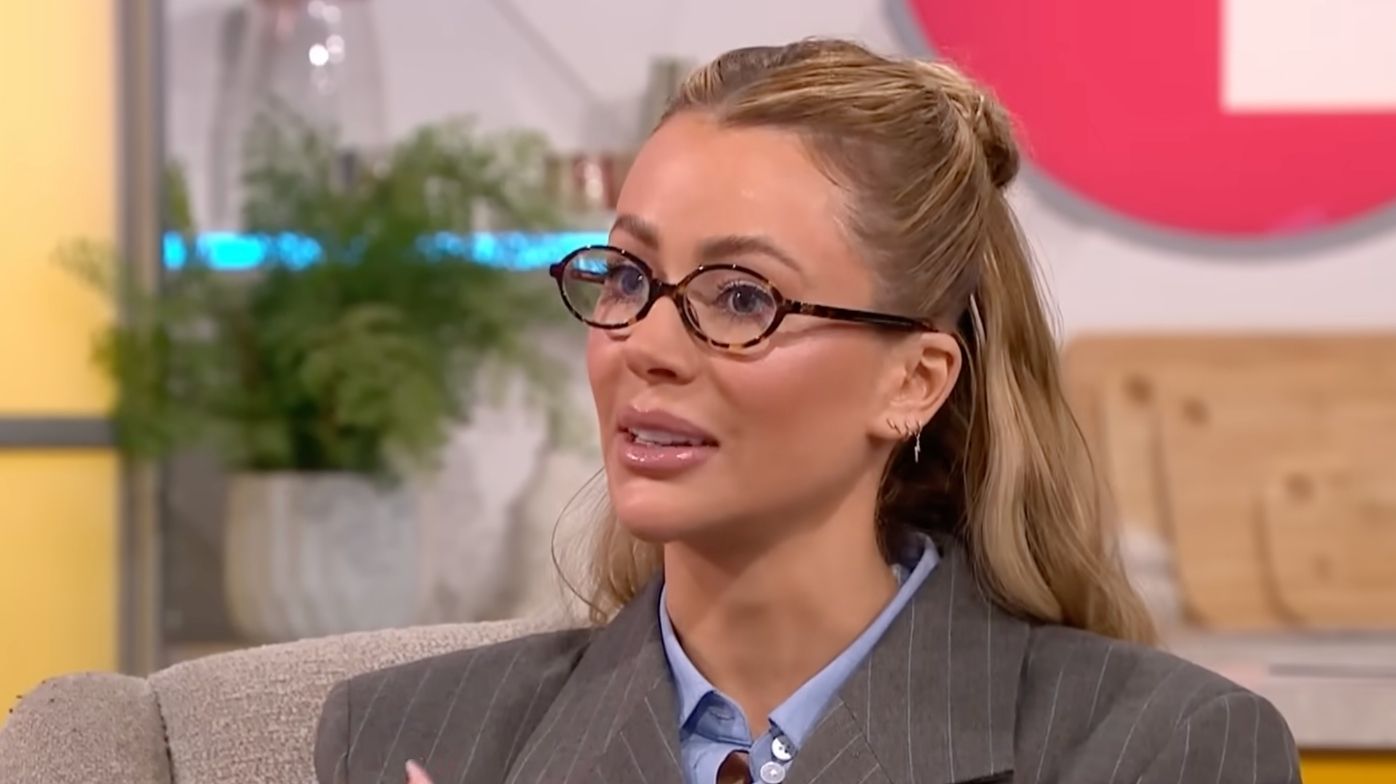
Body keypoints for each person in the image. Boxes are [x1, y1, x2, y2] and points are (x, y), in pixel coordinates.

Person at [314, 39, 1301, 784]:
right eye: (627, 276)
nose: (645, 344)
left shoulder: (1162, 748)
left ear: (914, 381)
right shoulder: (408, 738)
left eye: (742, 297)